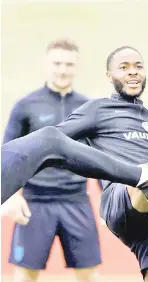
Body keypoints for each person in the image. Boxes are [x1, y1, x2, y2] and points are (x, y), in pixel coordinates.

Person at [1, 46, 148, 282]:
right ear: (109, 76)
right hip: (119, 195)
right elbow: (54, 143)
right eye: (123, 67)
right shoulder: (97, 109)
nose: (132, 71)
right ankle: (146, 180)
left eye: (138, 66)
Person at [2, 39, 102, 282]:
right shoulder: (26, 106)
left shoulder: (88, 108)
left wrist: (110, 198)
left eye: (68, 64)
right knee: (25, 276)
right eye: (57, 63)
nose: (62, 69)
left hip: (77, 201)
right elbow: (7, 154)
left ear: (76, 67)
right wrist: (10, 197)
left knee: (89, 275)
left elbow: (101, 157)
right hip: (35, 203)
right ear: (47, 64)